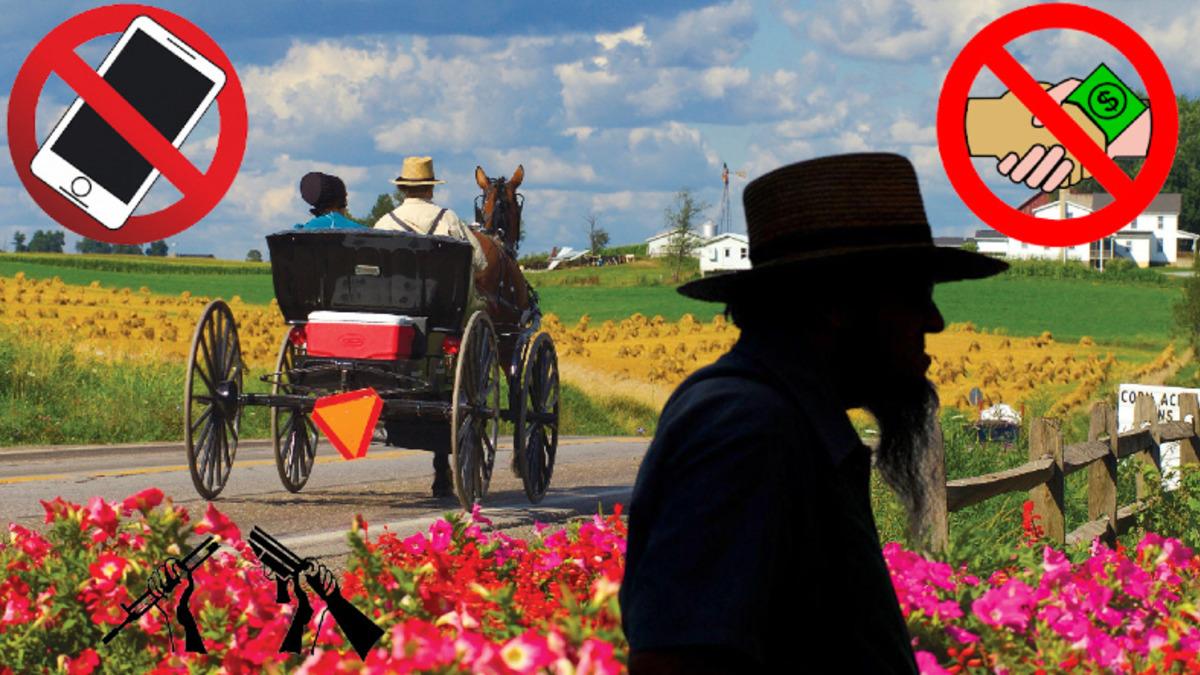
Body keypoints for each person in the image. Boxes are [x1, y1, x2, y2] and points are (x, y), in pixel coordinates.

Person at [619, 153, 1009, 673]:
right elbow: (681, 661)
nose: (934, 322)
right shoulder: (747, 430)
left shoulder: (788, 421)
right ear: (836, 304)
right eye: (914, 295)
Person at [374, 156, 485, 498]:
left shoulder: (383, 223)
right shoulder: (448, 219)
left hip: (395, 322)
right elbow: (479, 261)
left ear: (403, 189)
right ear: (429, 188)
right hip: (442, 321)